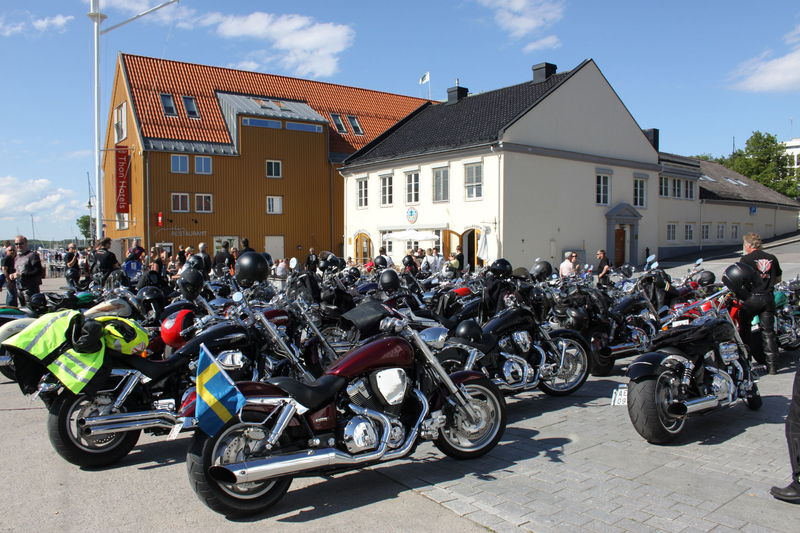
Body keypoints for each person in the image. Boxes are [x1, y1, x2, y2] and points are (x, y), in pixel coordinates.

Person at [738, 232, 782, 374]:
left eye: (744, 244)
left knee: (744, 330)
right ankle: (772, 367)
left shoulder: (745, 259)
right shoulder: (772, 258)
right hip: (768, 298)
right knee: (768, 332)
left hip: (752, 298)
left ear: (749, 245)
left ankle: (746, 364)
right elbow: (778, 278)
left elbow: (740, 280)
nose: (744, 247)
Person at [11, 235, 43, 305]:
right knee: (23, 310)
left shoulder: (32, 255)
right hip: (19, 288)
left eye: (21, 243)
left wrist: (22, 274)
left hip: (30, 289)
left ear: (26, 243)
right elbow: (17, 271)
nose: (18, 246)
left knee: (31, 310)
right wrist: (13, 275)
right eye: (16, 244)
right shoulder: (16, 258)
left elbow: (38, 271)